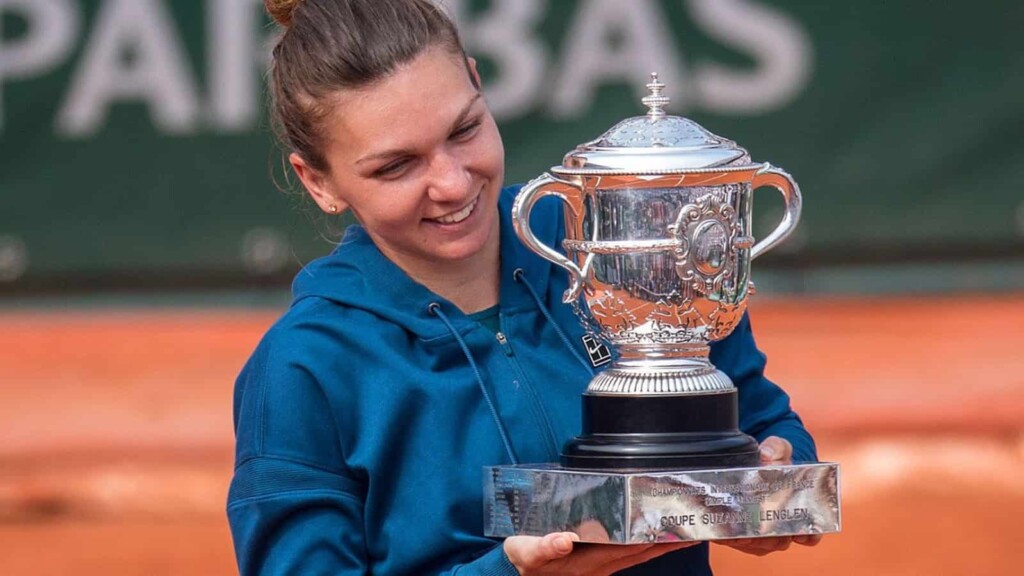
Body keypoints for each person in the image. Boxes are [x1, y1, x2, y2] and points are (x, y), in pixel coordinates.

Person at [227, 0, 822, 574]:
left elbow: (762, 417)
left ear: (479, 85)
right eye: (396, 167)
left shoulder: (612, 240)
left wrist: (770, 478)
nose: (454, 184)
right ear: (319, 183)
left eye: (464, 130)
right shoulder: (301, 368)